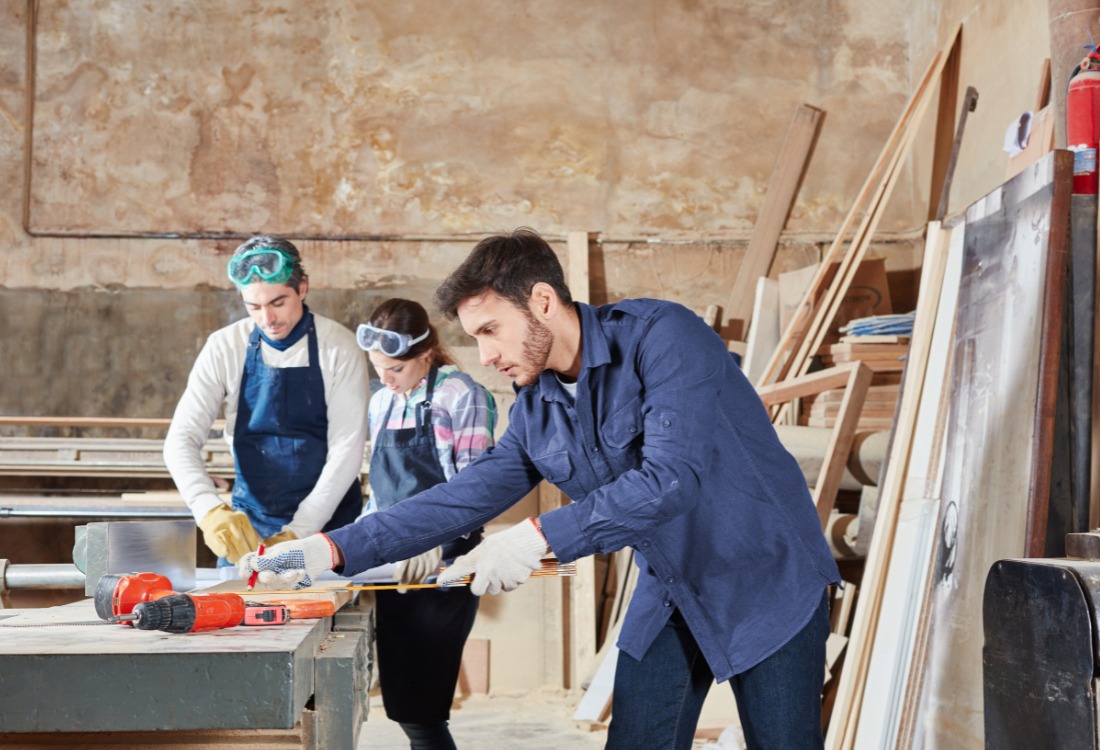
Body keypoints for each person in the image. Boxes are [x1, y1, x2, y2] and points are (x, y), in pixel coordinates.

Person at [241, 228, 841, 749]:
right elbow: (463, 497)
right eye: (476, 338)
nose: (486, 355)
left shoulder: (665, 338)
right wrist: (329, 550)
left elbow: (669, 481)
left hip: (768, 576)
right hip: (673, 587)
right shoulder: (541, 405)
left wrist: (532, 539)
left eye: (492, 331)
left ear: (544, 302)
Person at [164, 235, 369, 565]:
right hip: (250, 528)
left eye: (278, 302)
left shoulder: (339, 347)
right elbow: (180, 440)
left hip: (327, 530)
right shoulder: (224, 346)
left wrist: (298, 534)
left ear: (302, 288)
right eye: (254, 307)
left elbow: (347, 449)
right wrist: (209, 510)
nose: (268, 319)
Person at [357, 298, 497, 750]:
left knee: (424, 706)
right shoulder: (381, 403)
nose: (385, 379)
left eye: (395, 369)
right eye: (377, 368)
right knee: (402, 704)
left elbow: (477, 492)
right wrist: (351, 550)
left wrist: (434, 542)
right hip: (392, 570)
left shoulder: (461, 396)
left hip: (445, 569)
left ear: (425, 354)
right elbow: (378, 497)